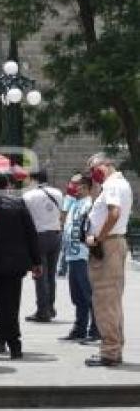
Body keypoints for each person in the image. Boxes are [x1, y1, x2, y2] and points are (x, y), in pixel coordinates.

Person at [0, 173, 42, 359]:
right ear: (7, 185)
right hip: (13, 265)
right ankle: (13, 345)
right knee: (10, 306)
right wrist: (36, 261)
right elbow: (31, 234)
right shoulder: (18, 204)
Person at [84, 153, 133, 367]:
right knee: (111, 300)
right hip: (114, 243)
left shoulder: (113, 185)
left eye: (93, 168)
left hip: (109, 244)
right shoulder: (119, 183)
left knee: (105, 300)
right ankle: (113, 347)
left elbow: (113, 213)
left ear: (106, 164)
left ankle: (110, 351)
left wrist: (98, 239)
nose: (92, 173)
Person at [59, 173, 100, 343]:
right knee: (77, 296)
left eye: (80, 185)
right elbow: (63, 222)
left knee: (88, 294)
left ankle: (95, 329)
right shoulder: (74, 203)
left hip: (83, 255)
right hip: (71, 255)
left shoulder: (91, 203)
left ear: (88, 187)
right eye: (74, 185)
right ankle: (79, 328)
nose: (76, 188)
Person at [22, 171, 64, 323]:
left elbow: (25, 218)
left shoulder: (28, 196)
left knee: (39, 274)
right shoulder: (58, 193)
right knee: (51, 275)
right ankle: (50, 307)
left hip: (38, 236)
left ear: (34, 180)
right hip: (56, 234)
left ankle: (42, 310)